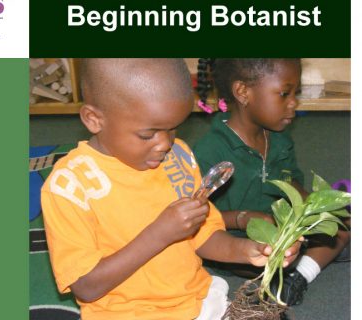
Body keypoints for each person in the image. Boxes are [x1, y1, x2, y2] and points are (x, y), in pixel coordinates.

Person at [41, 59, 300, 320]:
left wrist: (246, 250)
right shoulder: (70, 187)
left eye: (173, 128)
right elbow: (86, 286)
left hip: (197, 302)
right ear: (94, 119)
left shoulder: (178, 156)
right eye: (147, 135)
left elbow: (204, 235)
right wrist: (160, 234)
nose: (165, 143)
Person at [193, 58, 351, 306]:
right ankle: (309, 263)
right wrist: (243, 217)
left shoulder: (279, 139)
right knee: (271, 252)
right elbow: (196, 219)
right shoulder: (208, 151)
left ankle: (297, 278)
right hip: (236, 240)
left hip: (282, 227)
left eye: (295, 93)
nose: (294, 104)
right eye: (284, 94)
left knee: (342, 224)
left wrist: (318, 208)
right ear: (243, 92)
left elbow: (293, 183)